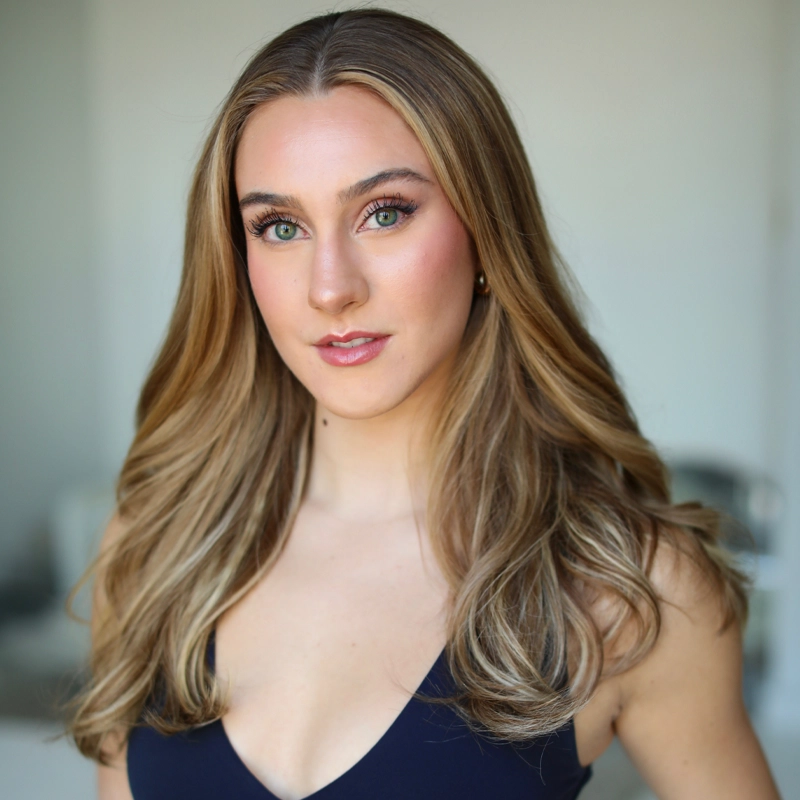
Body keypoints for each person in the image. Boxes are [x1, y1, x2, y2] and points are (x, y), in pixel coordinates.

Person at [68, 9, 780, 799]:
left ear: (486, 229)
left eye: (385, 213)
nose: (331, 288)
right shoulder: (154, 546)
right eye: (279, 227)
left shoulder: (625, 588)